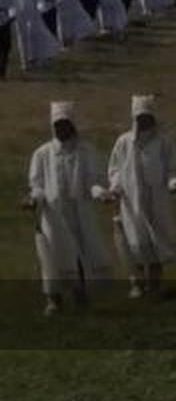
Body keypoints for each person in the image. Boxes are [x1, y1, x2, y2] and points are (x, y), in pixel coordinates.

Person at [24, 101, 113, 315]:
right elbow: (37, 185)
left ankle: (80, 294)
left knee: (80, 255)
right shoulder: (42, 154)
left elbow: (93, 182)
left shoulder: (86, 151)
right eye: (57, 124)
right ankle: (53, 299)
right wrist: (33, 199)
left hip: (80, 213)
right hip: (54, 216)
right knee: (52, 257)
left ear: (72, 124)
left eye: (65, 124)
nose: (61, 128)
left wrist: (101, 193)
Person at [108, 94, 176, 298]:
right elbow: (115, 169)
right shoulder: (124, 142)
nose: (143, 121)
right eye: (139, 117)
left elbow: (172, 168)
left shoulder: (163, 142)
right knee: (134, 242)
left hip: (156, 201)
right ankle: (137, 283)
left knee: (155, 243)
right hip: (131, 202)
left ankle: (155, 283)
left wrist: (174, 183)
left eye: (147, 116)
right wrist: (116, 186)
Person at [12, 0, 61, 69]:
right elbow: (12, 1)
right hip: (20, 16)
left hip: (33, 15)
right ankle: (24, 62)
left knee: (34, 36)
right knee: (22, 38)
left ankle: (36, 57)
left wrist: (41, 7)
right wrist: (12, 13)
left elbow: (40, 0)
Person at [0, 0, 13, 77]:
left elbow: (13, 2)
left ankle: (2, 69)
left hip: (4, 17)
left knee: (5, 46)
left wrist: (11, 16)